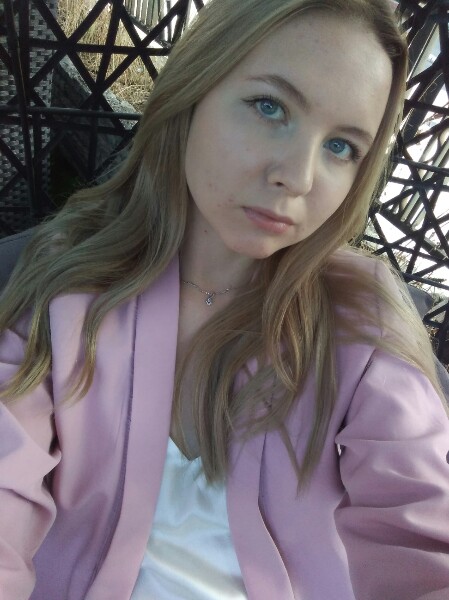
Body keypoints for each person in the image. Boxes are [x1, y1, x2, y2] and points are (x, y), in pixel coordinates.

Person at [1, 0, 448, 598]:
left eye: (341, 147)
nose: (299, 177)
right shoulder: (73, 281)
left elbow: (421, 527)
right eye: (270, 107)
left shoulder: (361, 319)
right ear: (194, 89)